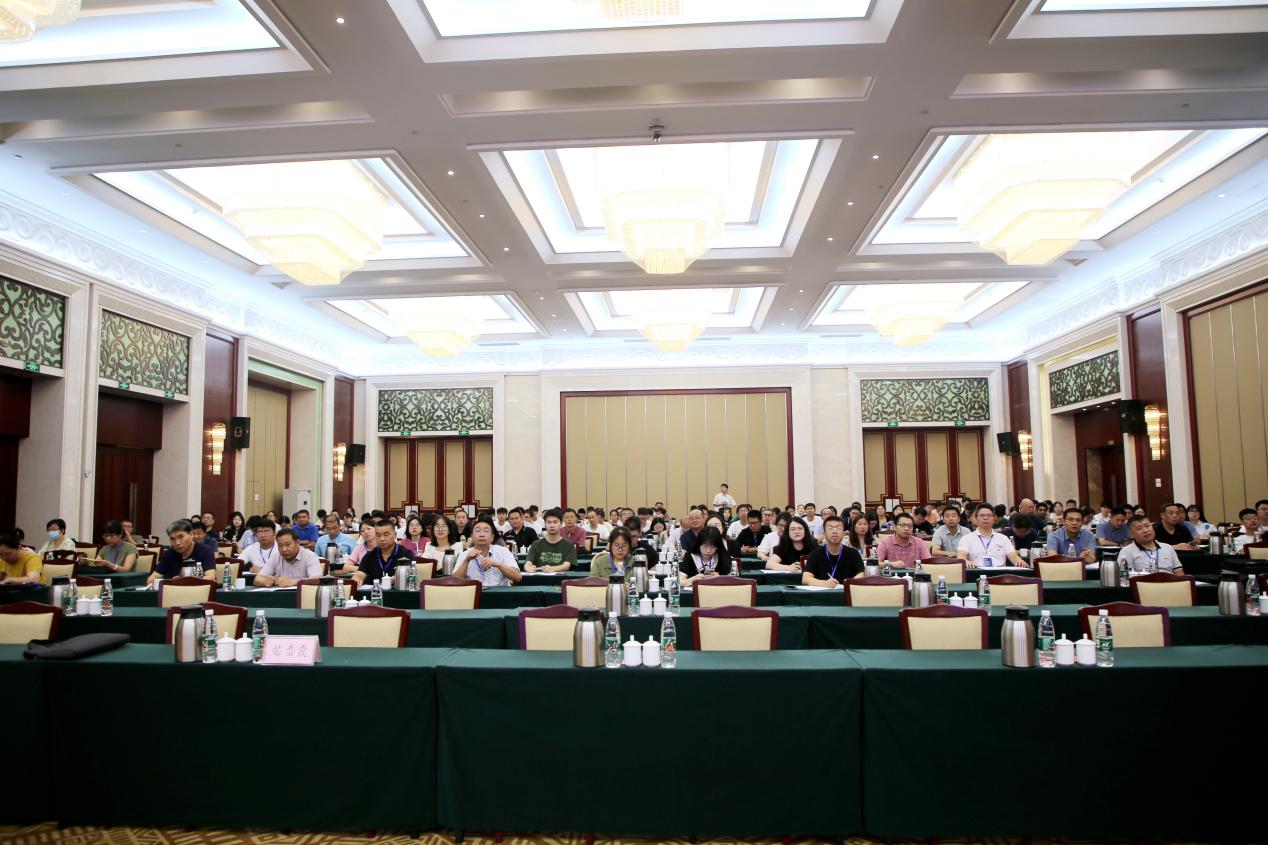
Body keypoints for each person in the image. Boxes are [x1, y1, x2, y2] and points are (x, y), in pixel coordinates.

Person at [454, 517, 522, 586]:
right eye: (477, 531)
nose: (481, 534)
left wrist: (498, 564)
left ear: (492, 537)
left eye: (486, 531)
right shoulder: (464, 554)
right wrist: (466, 560)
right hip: (473, 592)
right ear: (472, 537)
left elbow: (517, 577)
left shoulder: (502, 551)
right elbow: (455, 581)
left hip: (499, 592)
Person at [148, 519, 216, 585]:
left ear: (191, 535)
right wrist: (153, 581)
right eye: (172, 539)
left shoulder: (206, 551)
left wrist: (183, 581)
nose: (177, 543)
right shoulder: (169, 553)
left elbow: (210, 578)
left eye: (181, 537)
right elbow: (152, 578)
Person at [802, 515, 864, 587]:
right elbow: (805, 578)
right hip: (822, 592)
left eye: (838, 528)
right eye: (830, 528)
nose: (834, 531)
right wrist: (824, 583)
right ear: (824, 534)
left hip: (846, 592)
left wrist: (849, 583)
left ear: (843, 533)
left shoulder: (853, 553)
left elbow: (861, 574)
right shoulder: (815, 554)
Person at [957, 504, 1026, 568]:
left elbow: (1013, 556)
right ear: (976, 518)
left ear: (994, 518)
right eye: (982, 515)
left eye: (989, 515)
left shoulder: (1003, 538)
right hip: (976, 572)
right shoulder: (967, 538)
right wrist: (965, 561)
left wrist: (1019, 561)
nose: (985, 518)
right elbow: (961, 555)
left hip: (1000, 573)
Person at [353, 520, 417, 586]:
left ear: (395, 535)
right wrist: (357, 580)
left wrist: (398, 579)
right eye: (378, 535)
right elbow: (359, 575)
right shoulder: (370, 555)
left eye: (386, 535)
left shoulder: (406, 554)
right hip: (375, 591)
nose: (382, 539)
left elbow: (412, 577)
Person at [253, 528, 323, 587]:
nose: (284, 549)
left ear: (297, 543)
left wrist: (294, 582)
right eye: (280, 545)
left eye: (287, 545)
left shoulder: (310, 556)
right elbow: (257, 579)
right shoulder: (275, 557)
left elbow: (316, 579)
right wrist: (265, 581)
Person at [1118, 515, 1185, 574]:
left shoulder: (1167, 547)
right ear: (1131, 534)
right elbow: (1125, 576)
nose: (1145, 530)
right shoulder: (1126, 551)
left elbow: (1179, 572)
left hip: (1170, 583)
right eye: (1139, 528)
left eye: (1147, 526)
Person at [524, 508, 578, 573]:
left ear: (561, 523)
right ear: (545, 524)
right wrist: (528, 568)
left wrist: (552, 569)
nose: (552, 525)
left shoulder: (569, 545)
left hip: (561, 578)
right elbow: (528, 563)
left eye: (555, 522)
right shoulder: (536, 544)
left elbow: (567, 565)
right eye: (549, 522)